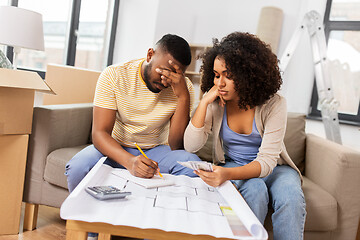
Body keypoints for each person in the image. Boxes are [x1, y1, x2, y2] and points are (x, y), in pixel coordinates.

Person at [184, 32, 306, 240]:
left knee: (291, 198)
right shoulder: (215, 102)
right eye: (216, 74)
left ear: (248, 74)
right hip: (233, 163)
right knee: (255, 190)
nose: (220, 83)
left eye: (228, 75)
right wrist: (203, 103)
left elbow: (267, 162)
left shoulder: (274, 104)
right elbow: (190, 145)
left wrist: (226, 175)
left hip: (276, 169)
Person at [65, 34, 202, 193]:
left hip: (155, 150)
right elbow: (99, 133)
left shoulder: (184, 88)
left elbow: (177, 146)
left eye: (173, 77)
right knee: (78, 167)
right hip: (114, 147)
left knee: (192, 166)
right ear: (150, 54)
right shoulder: (114, 75)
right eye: (163, 72)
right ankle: (80, 217)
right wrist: (129, 161)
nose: (165, 81)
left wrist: (183, 97)